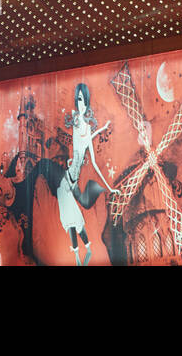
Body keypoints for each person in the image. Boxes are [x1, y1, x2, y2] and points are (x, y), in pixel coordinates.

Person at [56, 82, 116, 266]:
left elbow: (95, 163)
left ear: (87, 101)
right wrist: (101, 129)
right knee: (72, 217)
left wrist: (110, 188)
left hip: (70, 182)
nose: (80, 104)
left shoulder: (87, 129)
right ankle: (79, 253)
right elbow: (78, 146)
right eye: (78, 100)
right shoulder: (76, 123)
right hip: (66, 182)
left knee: (74, 217)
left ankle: (84, 251)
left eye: (82, 100)